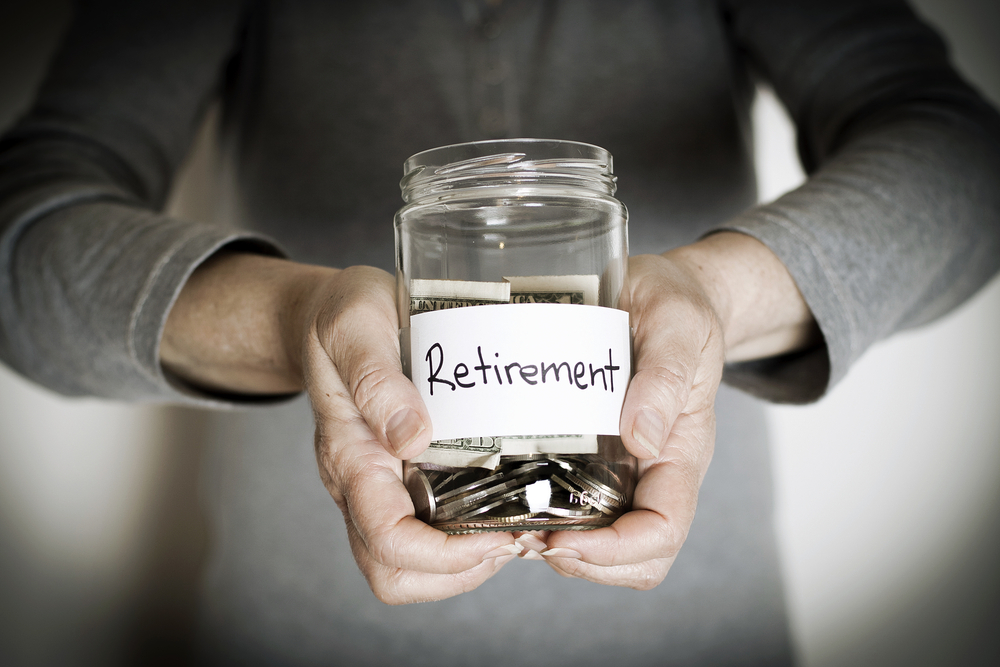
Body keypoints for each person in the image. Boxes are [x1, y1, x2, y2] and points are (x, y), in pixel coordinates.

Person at [1, 0, 997, 664]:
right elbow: (22, 243)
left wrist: (715, 292)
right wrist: (298, 316)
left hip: (695, 632)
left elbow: (964, 169)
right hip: (303, 631)